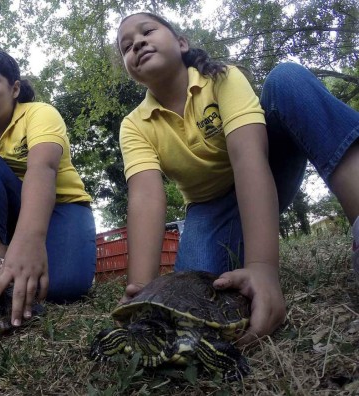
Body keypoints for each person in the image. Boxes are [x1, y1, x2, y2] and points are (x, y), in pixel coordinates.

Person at [115, 12, 359, 345]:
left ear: (181, 43)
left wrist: (263, 267)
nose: (137, 43)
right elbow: (146, 197)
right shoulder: (134, 126)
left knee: (287, 80)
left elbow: (248, 157)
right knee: (198, 284)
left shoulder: (221, 77)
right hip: (209, 207)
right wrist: (142, 291)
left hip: (267, 168)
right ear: (131, 71)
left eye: (147, 32)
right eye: (127, 46)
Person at [0, 51, 96, 327]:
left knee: (64, 289)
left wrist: (31, 241)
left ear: (14, 88)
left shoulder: (40, 114)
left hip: (62, 208)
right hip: (9, 217)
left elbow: (42, 169)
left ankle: (25, 257)